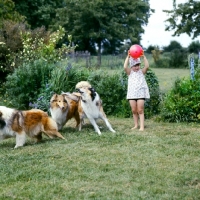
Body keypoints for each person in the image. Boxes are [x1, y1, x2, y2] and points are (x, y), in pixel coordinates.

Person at [123, 51, 150, 131]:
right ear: (131, 66)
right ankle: (136, 125)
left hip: (140, 93)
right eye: (134, 65)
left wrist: (143, 57)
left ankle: (141, 126)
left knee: (140, 110)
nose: (136, 67)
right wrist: (128, 57)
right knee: (134, 110)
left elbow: (147, 66)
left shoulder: (141, 72)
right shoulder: (129, 72)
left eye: (138, 65)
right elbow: (125, 67)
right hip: (132, 94)